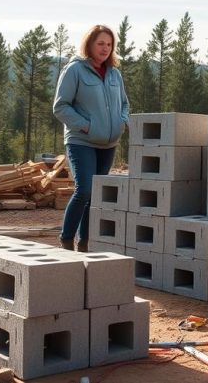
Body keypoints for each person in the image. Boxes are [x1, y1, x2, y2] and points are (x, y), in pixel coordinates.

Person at [53, 24, 129, 252]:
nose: (105, 48)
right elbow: (61, 106)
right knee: (84, 189)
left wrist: (122, 122)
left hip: (108, 144)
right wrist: (85, 126)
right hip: (81, 141)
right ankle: (67, 239)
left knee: (96, 195)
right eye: (100, 44)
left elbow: (125, 104)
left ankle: (84, 242)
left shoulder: (115, 74)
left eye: (109, 44)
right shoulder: (74, 70)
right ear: (90, 44)